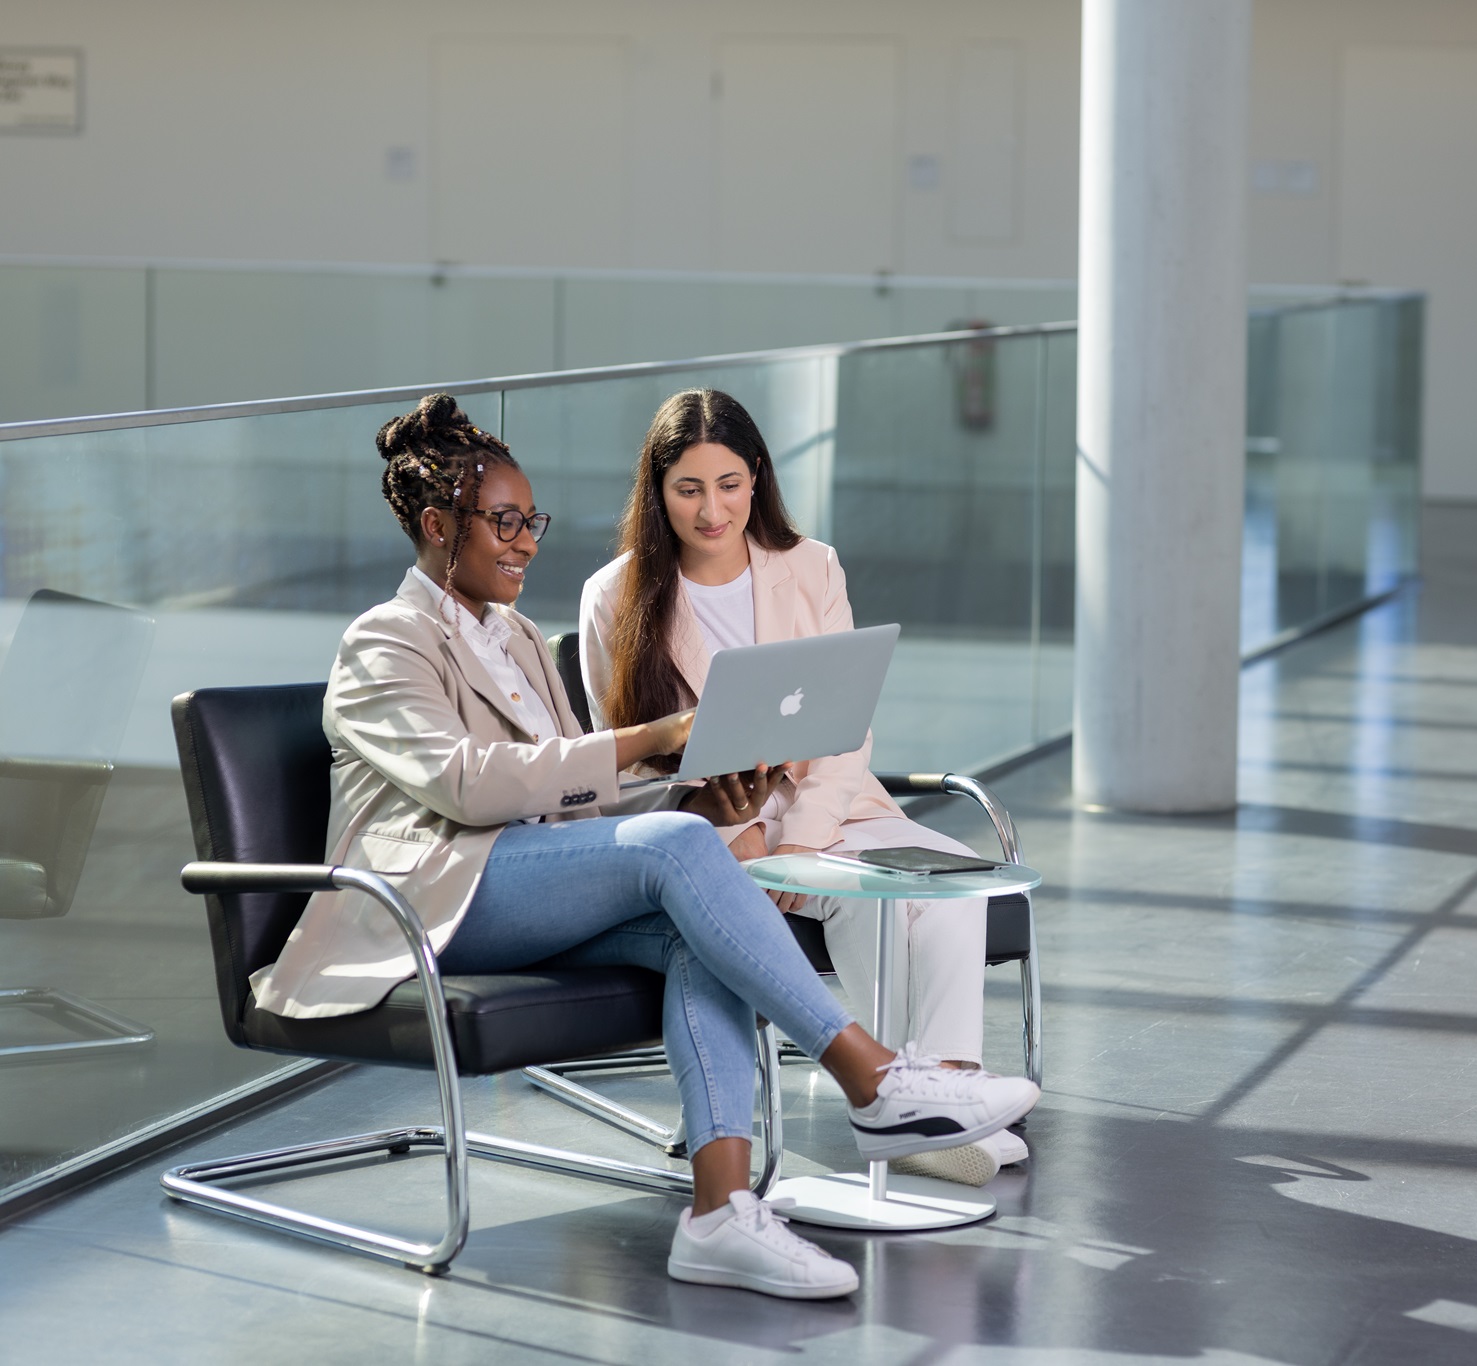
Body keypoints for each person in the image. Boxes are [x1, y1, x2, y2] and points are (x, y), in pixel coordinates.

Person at [251, 393, 1037, 1299]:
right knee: (677, 851)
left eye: (530, 520)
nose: (525, 541)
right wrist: (650, 740)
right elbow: (469, 784)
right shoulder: (384, 641)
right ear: (436, 525)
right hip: (433, 900)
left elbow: (580, 797)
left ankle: (720, 1213)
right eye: (502, 522)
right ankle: (876, 1078)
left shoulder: (511, 637)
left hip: (536, 881)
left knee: (694, 930)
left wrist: (694, 791)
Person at [580, 388, 1027, 1189]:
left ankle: (948, 1097)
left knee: (953, 883)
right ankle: (908, 1103)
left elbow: (846, 723)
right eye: (688, 489)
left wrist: (808, 834)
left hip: (830, 807)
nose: (712, 509)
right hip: (704, 834)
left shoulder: (810, 564)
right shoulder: (615, 596)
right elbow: (624, 766)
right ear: (658, 491)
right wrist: (734, 833)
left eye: (728, 484)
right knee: (857, 899)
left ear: (756, 479)